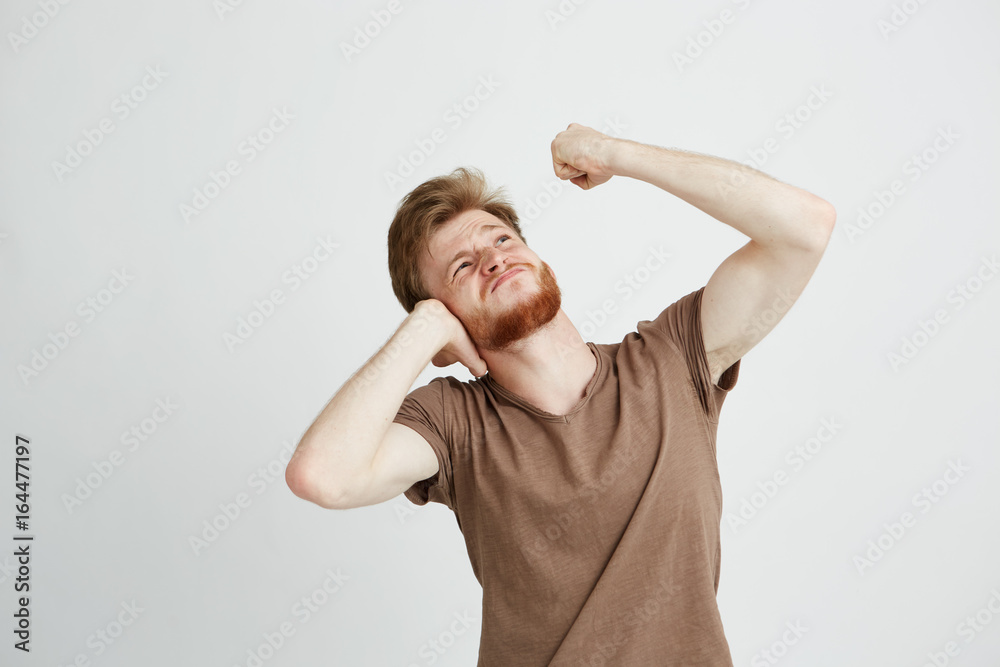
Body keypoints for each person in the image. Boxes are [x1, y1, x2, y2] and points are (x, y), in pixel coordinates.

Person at [285, 122, 836, 665]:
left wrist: (615, 153)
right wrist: (424, 327)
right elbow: (321, 476)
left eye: (502, 240)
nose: (494, 259)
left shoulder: (672, 360)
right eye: (462, 267)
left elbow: (806, 227)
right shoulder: (453, 423)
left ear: (538, 258)